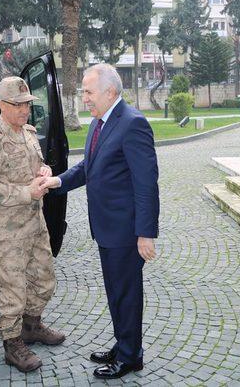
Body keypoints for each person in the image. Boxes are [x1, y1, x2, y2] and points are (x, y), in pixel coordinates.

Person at [40, 64, 160, 379]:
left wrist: (145, 233)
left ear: (109, 92)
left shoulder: (133, 124)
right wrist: (56, 181)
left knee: (126, 293)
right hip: (106, 229)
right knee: (115, 290)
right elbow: (87, 167)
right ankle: (124, 344)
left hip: (125, 231)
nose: (84, 98)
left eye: (88, 92)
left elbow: (147, 184)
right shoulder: (99, 123)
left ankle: (131, 356)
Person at [0, 76, 65, 373]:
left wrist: (43, 170)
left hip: (34, 222)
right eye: (17, 105)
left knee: (44, 278)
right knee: (13, 290)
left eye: (27, 104)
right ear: (1, 104)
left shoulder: (28, 132)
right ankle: (12, 344)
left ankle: (32, 325)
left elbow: (33, 167)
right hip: (7, 229)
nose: (25, 110)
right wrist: (27, 191)